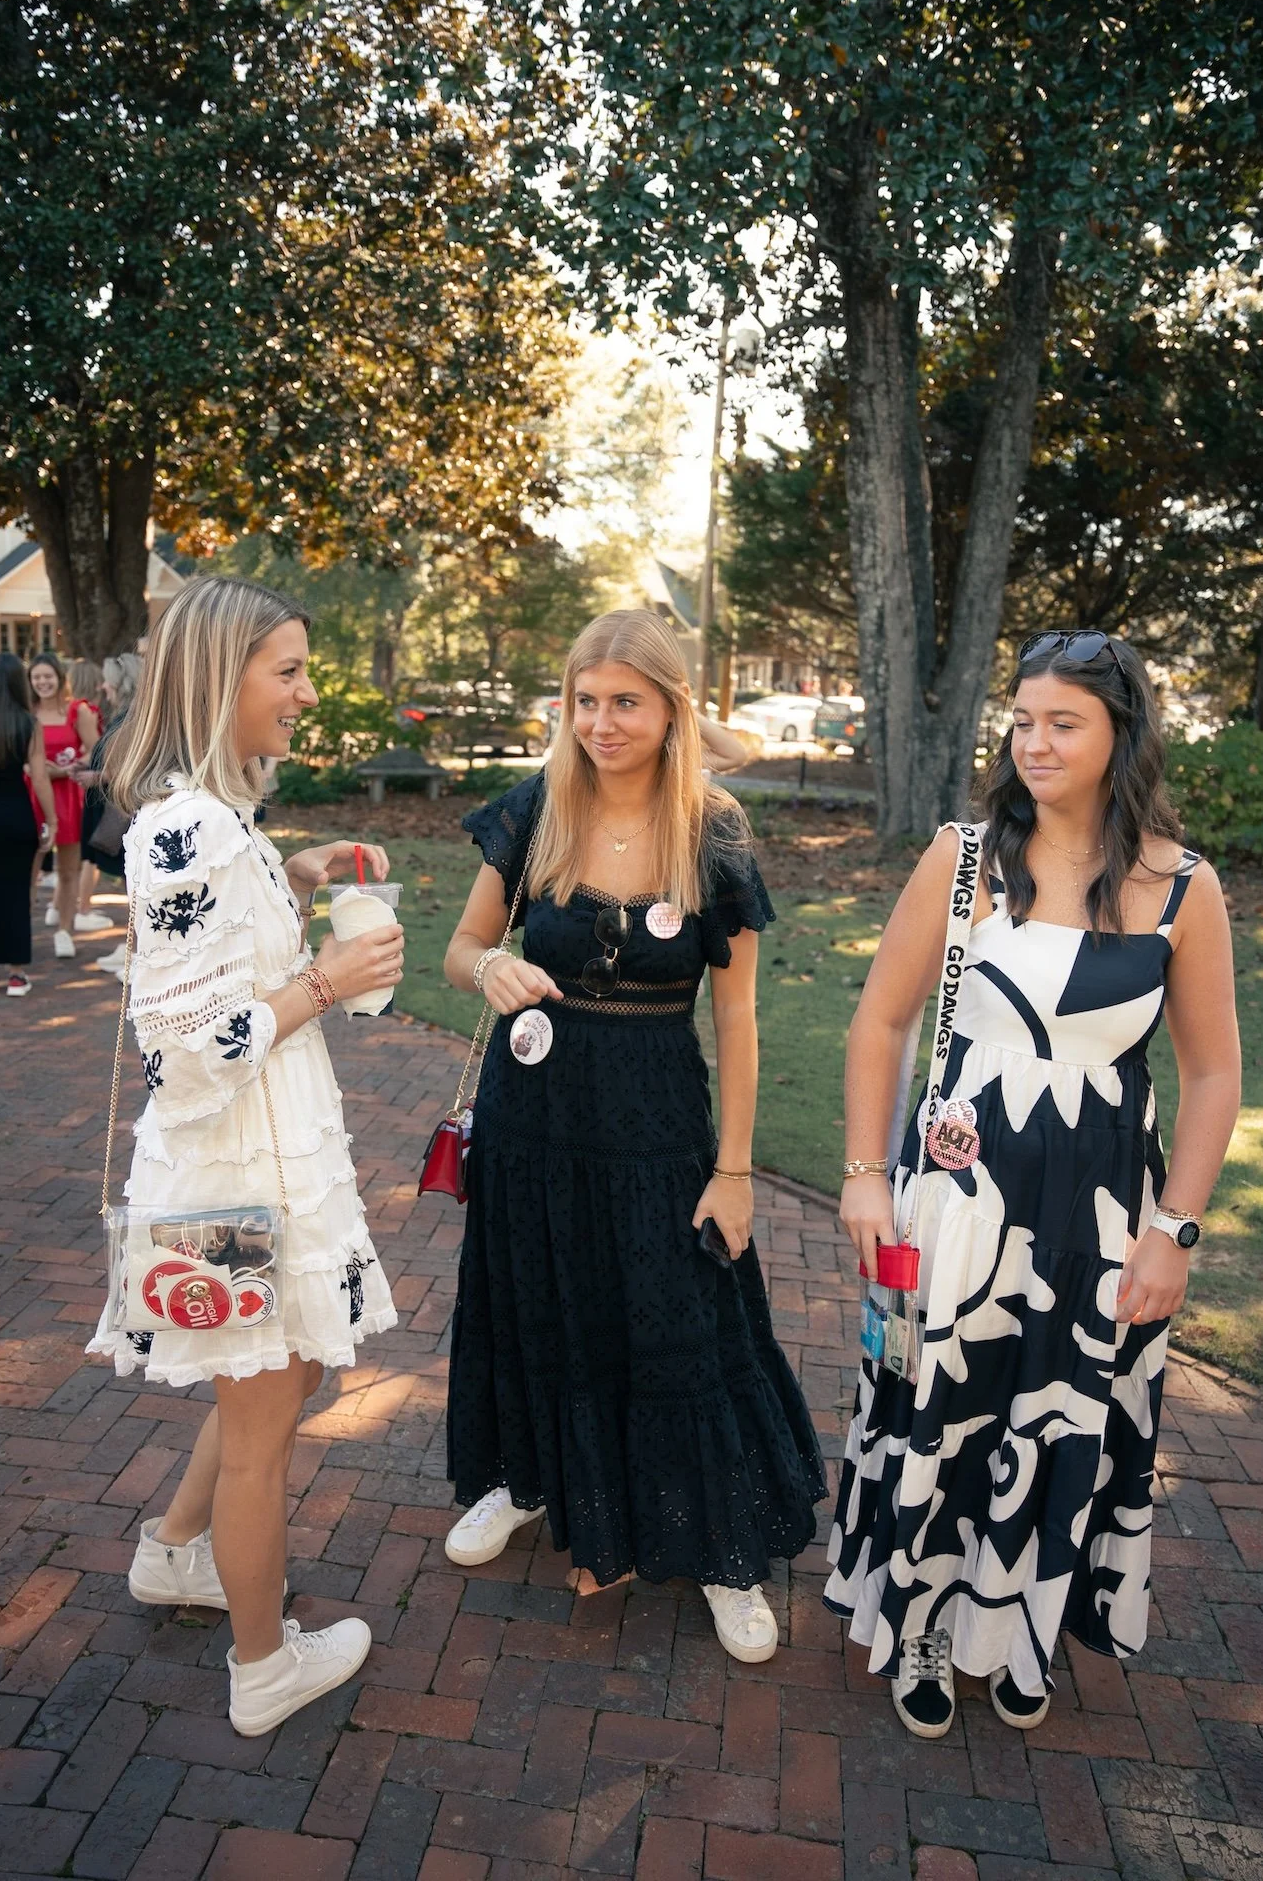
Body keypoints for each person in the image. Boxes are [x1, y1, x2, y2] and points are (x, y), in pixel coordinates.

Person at [825, 630, 1241, 1738]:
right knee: (946, 1410)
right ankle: (917, 1623)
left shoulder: (1178, 888)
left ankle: (1017, 1631)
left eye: (1064, 722)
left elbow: (1211, 1076)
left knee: (1065, 1419)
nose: (1035, 742)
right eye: (1022, 720)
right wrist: (866, 1176)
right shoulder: (962, 860)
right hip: (964, 1197)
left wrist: (1174, 1233)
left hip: (1102, 1214)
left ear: (1119, 736)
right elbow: (879, 1022)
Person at [441, 608, 826, 1663]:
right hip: (535, 1119)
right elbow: (462, 944)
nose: (602, 723)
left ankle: (720, 1549)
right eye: (585, 701)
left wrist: (736, 1171)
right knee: (540, 1301)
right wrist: (489, 968)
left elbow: (739, 1016)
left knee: (678, 1324)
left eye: (626, 702)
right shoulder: (535, 810)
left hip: (658, 1123)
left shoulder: (713, 831)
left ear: (669, 711)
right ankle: (529, 1483)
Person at [86, 574, 405, 1736]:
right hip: (232, 1183)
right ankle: (264, 1664)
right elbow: (182, 1046)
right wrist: (329, 981)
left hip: (252, 1172)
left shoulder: (217, 820)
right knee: (267, 1420)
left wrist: (298, 876)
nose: (307, 694)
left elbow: (216, 958)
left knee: (285, 1379)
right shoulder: (187, 828)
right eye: (288, 671)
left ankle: (177, 1551)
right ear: (222, 678)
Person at [0, 654, 56, 995]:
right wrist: (51, 821)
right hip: (15, 815)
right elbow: (40, 778)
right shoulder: (28, 723)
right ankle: (15, 973)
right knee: (16, 892)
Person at [75, 652, 144, 976]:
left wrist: (97, 776)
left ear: (121, 684)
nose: (102, 686)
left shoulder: (133, 719)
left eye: (108, 681)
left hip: (127, 813)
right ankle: (132, 948)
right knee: (133, 885)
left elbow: (134, 768)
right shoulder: (125, 715)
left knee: (137, 885)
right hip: (117, 809)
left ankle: (137, 953)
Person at [28, 651, 97, 958]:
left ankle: (65, 931)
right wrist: (39, 769)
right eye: (37, 677)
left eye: (47, 676)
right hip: (32, 794)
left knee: (68, 868)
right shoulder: (26, 711)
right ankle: (21, 932)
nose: (42, 682)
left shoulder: (75, 710)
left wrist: (71, 767)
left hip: (68, 795)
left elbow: (96, 750)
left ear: (59, 677)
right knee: (29, 868)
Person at [67, 658, 112, 935]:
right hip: (89, 782)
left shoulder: (71, 707)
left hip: (82, 779)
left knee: (82, 850)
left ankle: (73, 906)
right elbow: (93, 749)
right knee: (89, 852)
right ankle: (82, 907)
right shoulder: (87, 710)